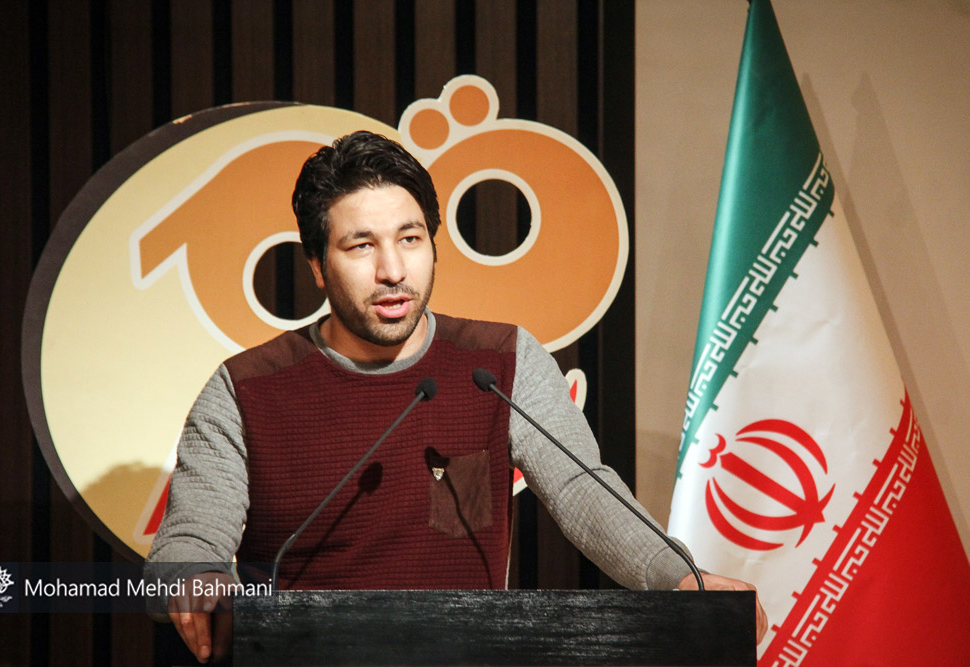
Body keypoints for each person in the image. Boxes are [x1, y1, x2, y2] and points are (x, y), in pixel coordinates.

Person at [146, 130, 767, 663]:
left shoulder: (500, 362)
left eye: (410, 239)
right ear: (315, 264)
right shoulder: (246, 389)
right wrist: (196, 578)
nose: (393, 271)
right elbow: (190, 539)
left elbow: (583, 489)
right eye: (361, 246)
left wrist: (680, 576)